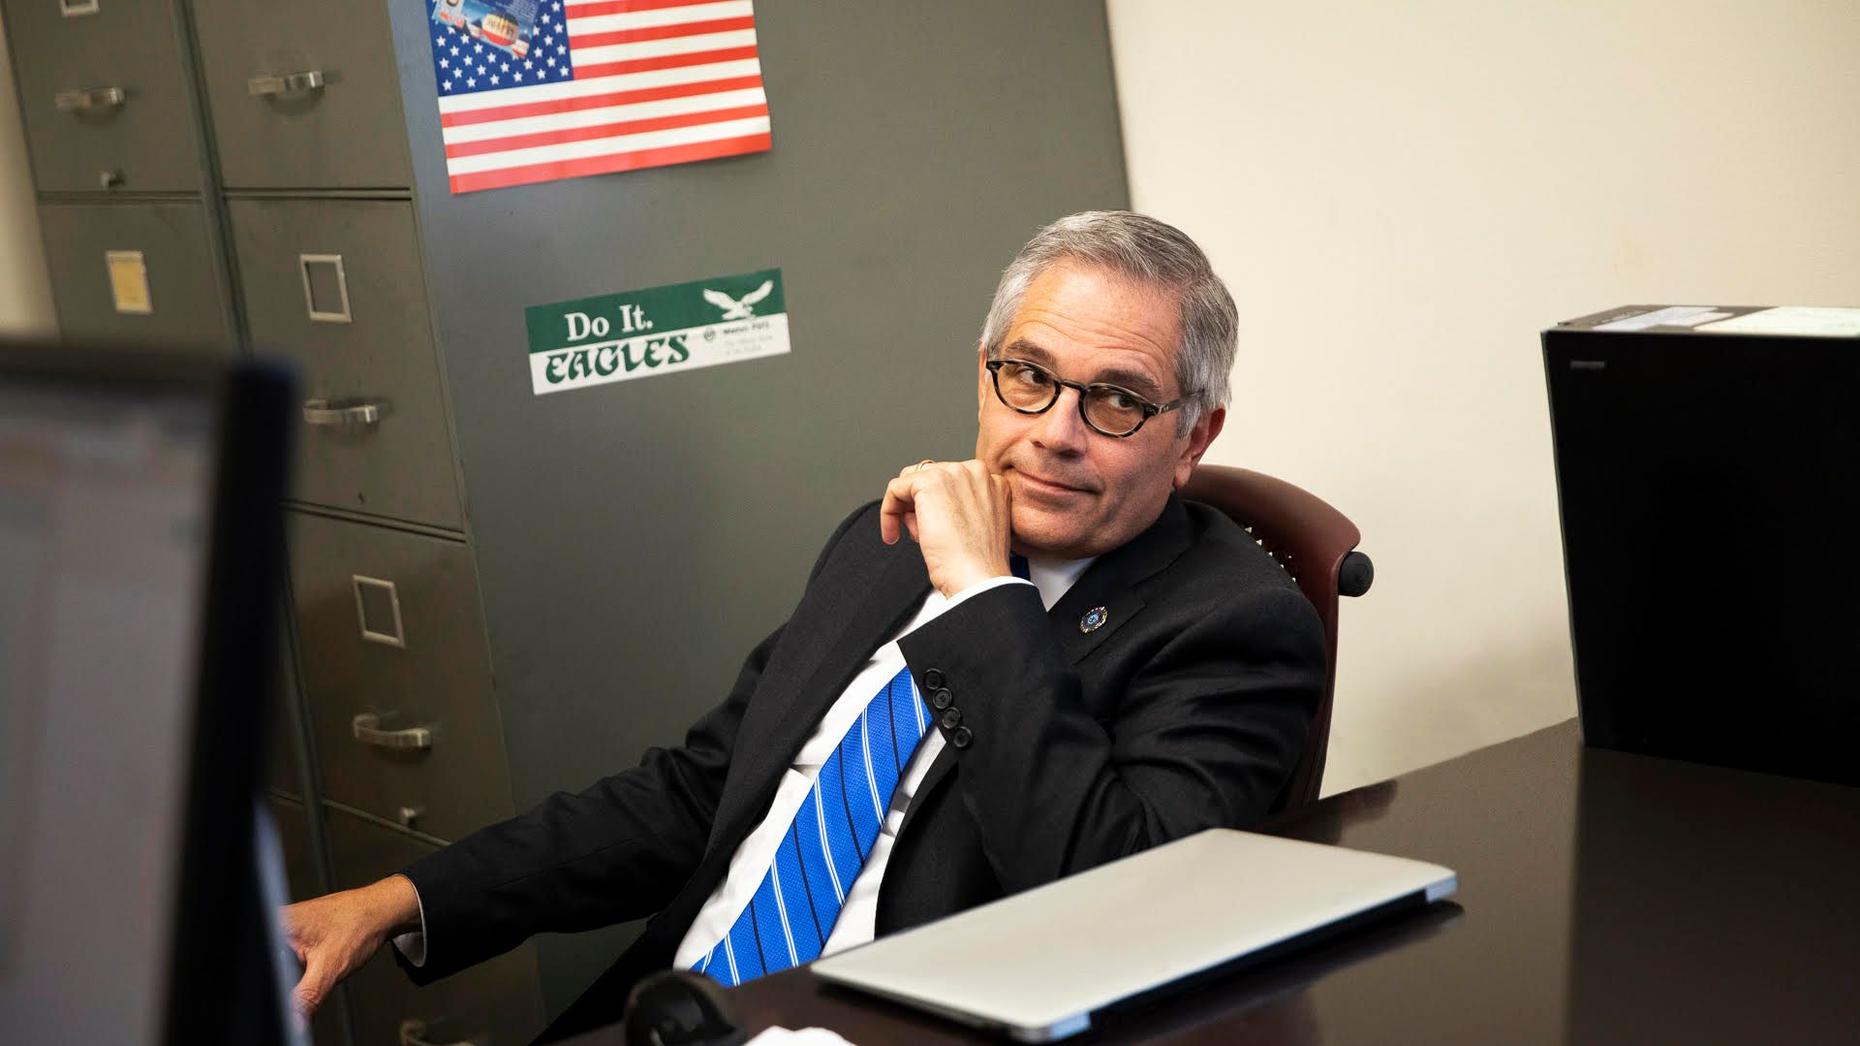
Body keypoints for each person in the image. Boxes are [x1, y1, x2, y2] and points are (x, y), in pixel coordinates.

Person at [281, 210, 1328, 1041]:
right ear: (984, 373)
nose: (1053, 432)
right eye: (1030, 376)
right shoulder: (883, 542)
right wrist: (400, 895)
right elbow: (696, 792)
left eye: (1116, 401)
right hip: (683, 1000)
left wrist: (981, 598)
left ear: (1194, 438)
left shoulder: (1237, 628)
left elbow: (1115, 908)